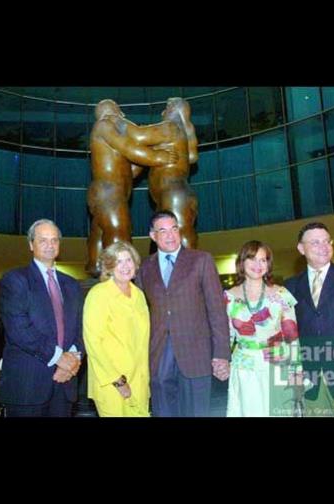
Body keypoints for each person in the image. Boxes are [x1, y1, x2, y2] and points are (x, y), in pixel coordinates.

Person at [135, 210, 230, 417]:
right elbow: (139, 314)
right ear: (153, 236)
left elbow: (217, 310)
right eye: (163, 230)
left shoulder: (201, 260)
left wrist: (221, 354)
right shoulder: (144, 267)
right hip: (159, 356)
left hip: (197, 356)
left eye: (174, 229)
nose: (170, 235)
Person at [0, 219, 85, 417]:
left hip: (65, 384)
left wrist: (72, 361)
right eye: (43, 240)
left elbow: (81, 328)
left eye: (54, 240)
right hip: (28, 387)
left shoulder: (71, 284)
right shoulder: (15, 279)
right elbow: (19, 329)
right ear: (31, 244)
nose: (50, 245)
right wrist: (59, 358)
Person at [86, 99, 178, 276]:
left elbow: (128, 172)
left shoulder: (107, 139)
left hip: (107, 192)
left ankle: (94, 266)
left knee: (100, 231)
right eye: (120, 114)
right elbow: (129, 147)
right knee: (118, 231)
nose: (123, 118)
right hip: (108, 192)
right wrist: (158, 156)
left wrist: (147, 160)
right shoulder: (104, 125)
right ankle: (116, 274)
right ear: (115, 113)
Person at [224, 241, 312, 416]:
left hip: (278, 364)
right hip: (244, 368)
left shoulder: (281, 294)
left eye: (263, 260)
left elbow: (292, 336)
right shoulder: (228, 297)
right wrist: (221, 362)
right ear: (242, 262)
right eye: (252, 259)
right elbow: (226, 336)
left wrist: (297, 371)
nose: (258, 265)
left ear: (268, 264)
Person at [284, 222, 334, 417]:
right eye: (315, 242)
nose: (323, 246)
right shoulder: (290, 287)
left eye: (327, 241)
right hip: (310, 379)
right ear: (301, 248)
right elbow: (288, 334)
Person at [83, 241, 150, 417]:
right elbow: (93, 343)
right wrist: (118, 381)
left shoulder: (139, 295)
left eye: (128, 260)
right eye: (118, 261)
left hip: (139, 382)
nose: (125, 266)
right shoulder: (98, 294)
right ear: (109, 267)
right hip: (112, 384)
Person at [125, 97, 199, 249]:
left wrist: (116, 121)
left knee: (179, 237)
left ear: (172, 109)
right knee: (165, 240)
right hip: (176, 193)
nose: (163, 112)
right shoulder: (185, 131)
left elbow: (138, 135)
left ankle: (188, 270)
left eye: (166, 107)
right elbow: (192, 157)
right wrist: (156, 152)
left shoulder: (169, 126)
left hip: (173, 194)